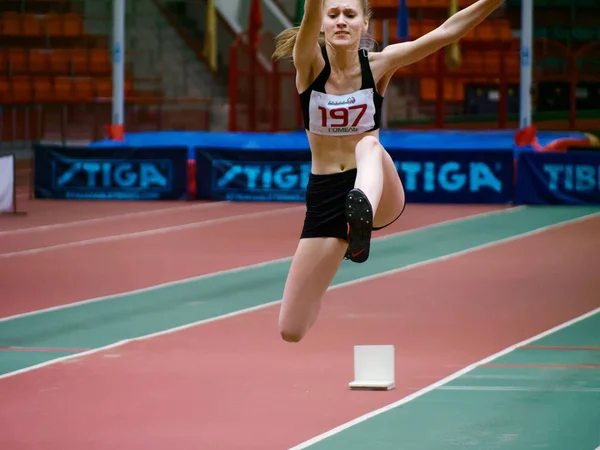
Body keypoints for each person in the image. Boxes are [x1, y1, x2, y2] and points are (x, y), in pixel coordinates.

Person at [272, 0, 505, 342]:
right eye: (332, 15)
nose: (340, 22)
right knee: (291, 330)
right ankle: (343, 247)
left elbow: (446, 32)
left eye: (350, 15)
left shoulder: (378, 66)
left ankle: (359, 217)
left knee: (367, 145)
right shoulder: (309, 67)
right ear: (320, 24)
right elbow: (308, 11)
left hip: (375, 187)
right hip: (325, 195)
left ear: (364, 24)